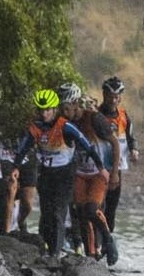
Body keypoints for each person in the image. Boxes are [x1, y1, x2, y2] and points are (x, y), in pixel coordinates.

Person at [19, 86, 93, 257]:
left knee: (62, 211)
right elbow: (23, 148)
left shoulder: (70, 123)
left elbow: (87, 145)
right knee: (47, 212)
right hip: (46, 173)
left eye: (69, 107)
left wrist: (101, 167)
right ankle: (47, 245)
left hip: (67, 173)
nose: (44, 114)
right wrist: (16, 166)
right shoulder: (37, 126)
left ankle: (66, 247)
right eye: (41, 110)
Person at [68, 96, 120, 263]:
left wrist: (115, 172)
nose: (64, 112)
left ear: (75, 105)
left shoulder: (94, 119)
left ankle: (108, 239)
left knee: (91, 209)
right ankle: (91, 255)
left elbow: (115, 143)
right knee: (82, 213)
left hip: (99, 172)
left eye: (67, 108)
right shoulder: (65, 122)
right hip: (79, 173)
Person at [99, 77, 134, 233]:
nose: (113, 100)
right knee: (97, 204)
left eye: (116, 97)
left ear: (120, 97)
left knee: (112, 206)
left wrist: (134, 150)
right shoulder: (96, 114)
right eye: (110, 96)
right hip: (98, 167)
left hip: (116, 166)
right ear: (104, 95)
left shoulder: (124, 115)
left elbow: (131, 137)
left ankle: (109, 236)